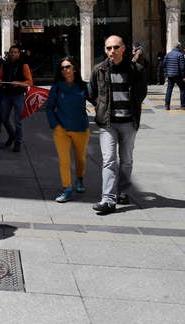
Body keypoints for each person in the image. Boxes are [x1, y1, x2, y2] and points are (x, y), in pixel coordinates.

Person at [89, 35, 147, 215]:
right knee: (109, 160)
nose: (111, 51)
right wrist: (101, 107)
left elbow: (141, 93)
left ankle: (122, 191)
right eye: (108, 48)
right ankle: (108, 199)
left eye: (115, 47)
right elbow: (91, 92)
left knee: (126, 161)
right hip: (107, 123)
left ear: (123, 49)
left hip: (129, 122)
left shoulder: (136, 69)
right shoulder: (99, 69)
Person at [45, 57, 90, 203]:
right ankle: (67, 189)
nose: (65, 70)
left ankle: (80, 179)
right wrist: (55, 125)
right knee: (64, 160)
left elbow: (97, 100)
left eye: (68, 67)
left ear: (74, 68)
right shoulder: (57, 87)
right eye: (62, 68)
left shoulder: (84, 87)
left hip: (80, 128)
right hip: (61, 129)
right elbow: (49, 107)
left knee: (80, 158)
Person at [0, 45, 33, 152]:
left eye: (15, 52)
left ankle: (18, 142)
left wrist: (19, 83)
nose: (13, 54)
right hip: (6, 95)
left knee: (18, 121)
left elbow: (30, 82)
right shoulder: (5, 64)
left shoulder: (24, 65)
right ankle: (12, 135)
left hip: (18, 95)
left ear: (18, 54)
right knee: (3, 118)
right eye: (11, 52)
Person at [162, 42, 185, 110]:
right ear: (179, 47)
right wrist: (183, 76)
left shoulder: (168, 54)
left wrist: (166, 74)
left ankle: (167, 105)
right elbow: (182, 67)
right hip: (178, 75)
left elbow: (164, 65)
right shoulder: (180, 55)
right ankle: (183, 105)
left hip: (170, 75)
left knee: (169, 90)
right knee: (183, 89)